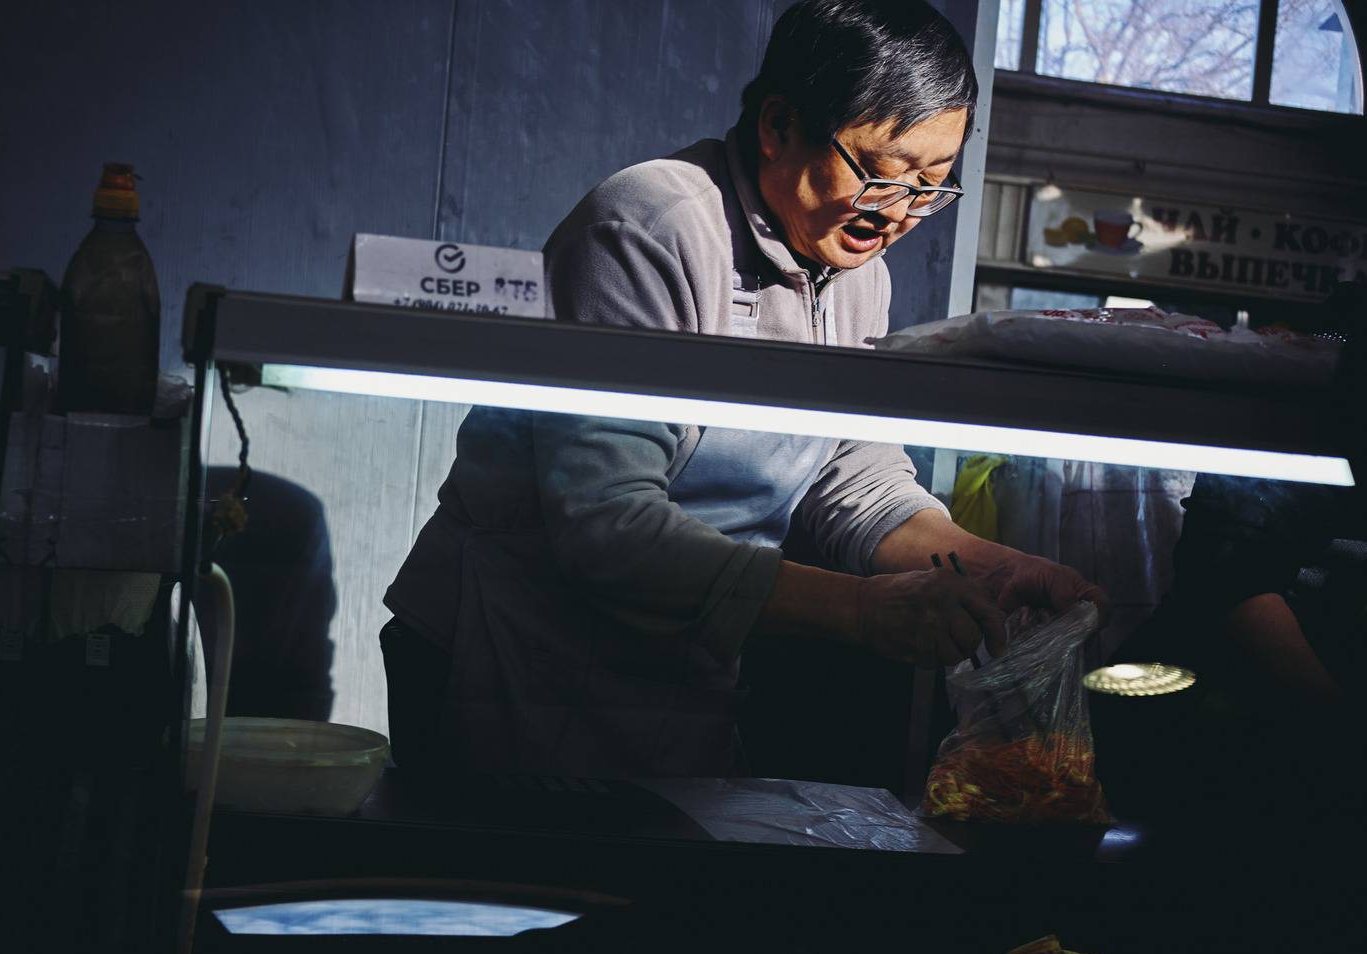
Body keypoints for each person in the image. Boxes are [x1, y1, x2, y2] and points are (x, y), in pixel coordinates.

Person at [382, 0, 1105, 777]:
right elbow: (607, 525)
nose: (898, 213)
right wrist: (861, 608)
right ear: (778, 125)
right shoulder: (650, 228)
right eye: (879, 174)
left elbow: (854, 479)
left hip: (672, 669)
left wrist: (990, 567)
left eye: (931, 185)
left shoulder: (858, 276)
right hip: (507, 658)